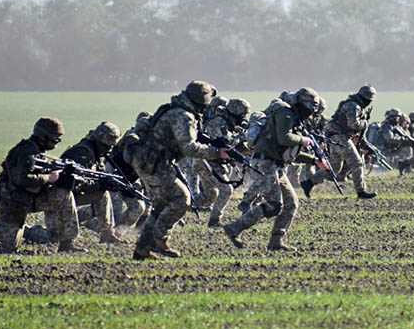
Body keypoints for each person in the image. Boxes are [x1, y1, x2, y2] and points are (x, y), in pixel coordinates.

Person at [123, 80, 230, 260]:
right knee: (182, 198)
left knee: (161, 204)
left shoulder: (177, 110)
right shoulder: (183, 116)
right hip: (154, 163)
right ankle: (159, 240)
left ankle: (142, 249)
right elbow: (189, 148)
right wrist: (217, 153)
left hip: (148, 161)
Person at [224, 87, 329, 251]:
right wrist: (304, 140)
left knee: (291, 203)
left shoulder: (294, 118)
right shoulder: (285, 113)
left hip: (276, 165)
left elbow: (289, 153)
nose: (312, 110)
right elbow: (284, 138)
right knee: (274, 205)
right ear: (301, 102)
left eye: (315, 106)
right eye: (311, 105)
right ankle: (234, 228)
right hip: (266, 164)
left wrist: (314, 160)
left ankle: (276, 241)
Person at [0, 117, 84, 254]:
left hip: (31, 199)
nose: (57, 142)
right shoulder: (25, 151)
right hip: (12, 204)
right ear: (44, 136)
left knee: (64, 195)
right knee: (6, 250)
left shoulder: (36, 151)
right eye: (55, 138)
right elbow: (22, 179)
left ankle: (67, 243)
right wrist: (48, 178)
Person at [24, 121, 125, 244]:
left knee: (101, 194)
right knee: (53, 238)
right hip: (57, 200)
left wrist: (105, 184)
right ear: (99, 142)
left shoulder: (95, 154)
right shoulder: (82, 154)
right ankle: (27, 231)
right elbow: (73, 183)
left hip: (69, 200)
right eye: (106, 146)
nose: (108, 150)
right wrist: (99, 184)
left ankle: (107, 233)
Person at [300, 85, 378, 199]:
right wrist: (365, 122)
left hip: (336, 136)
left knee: (335, 167)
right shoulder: (354, 106)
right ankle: (361, 191)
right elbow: (354, 124)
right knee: (357, 163)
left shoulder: (354, 104)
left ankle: (308, 183)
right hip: (339, 136)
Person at [196, 97, 251, 227]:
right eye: (242, 115)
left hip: (212, 161)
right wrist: (239, 137)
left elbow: (237, 147)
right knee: (226, 189)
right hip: (206, 161)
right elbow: (226, 143)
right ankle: (214, 221)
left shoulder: (228, 124)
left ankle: (184, 203)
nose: (243, 118)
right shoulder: (218, 122)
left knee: (210, 195)